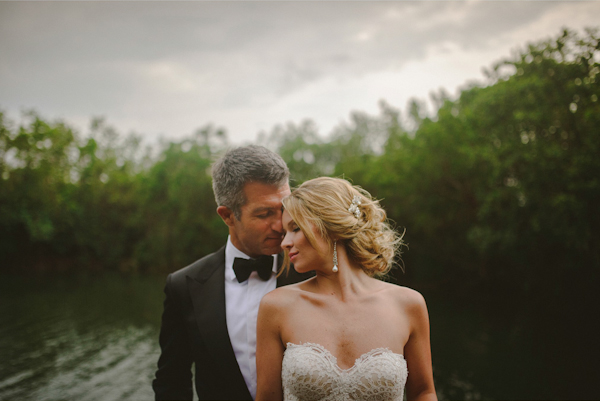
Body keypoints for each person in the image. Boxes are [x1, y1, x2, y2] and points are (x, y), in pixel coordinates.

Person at [152, 145, 313, 401]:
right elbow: (172, 381)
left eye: (283, 209)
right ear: (227, 215)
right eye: (264, 213)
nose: (279, 224)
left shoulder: (313, 271)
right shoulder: (184, 285)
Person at [255, 177, 437, 401]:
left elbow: (423, 393)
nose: (285, 243)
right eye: (285, 233)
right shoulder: (276, 306)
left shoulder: (408, 304)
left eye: (295, 228)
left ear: (332, 227)